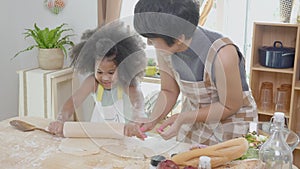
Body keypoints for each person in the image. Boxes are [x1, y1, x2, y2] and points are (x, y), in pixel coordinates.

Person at [133, 0, 258, 145]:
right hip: (194, 120)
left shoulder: (222, 54)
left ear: (178, 38)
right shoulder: (166, 45)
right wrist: (151, 120)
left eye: (152, 39)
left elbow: (230, 106)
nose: (149, 43)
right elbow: (168, 91)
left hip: (231, 125)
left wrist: (185, 117)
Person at [48, 22, 147, 139]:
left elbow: (137, 100)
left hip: (127, 136)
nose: (104, 78)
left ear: (124, 67)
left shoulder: (126, 83)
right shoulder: (93, 82)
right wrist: (60, 119)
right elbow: (72, 102)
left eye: (111, 73)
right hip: (100, 136)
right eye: (99, 72)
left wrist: (136, 119)